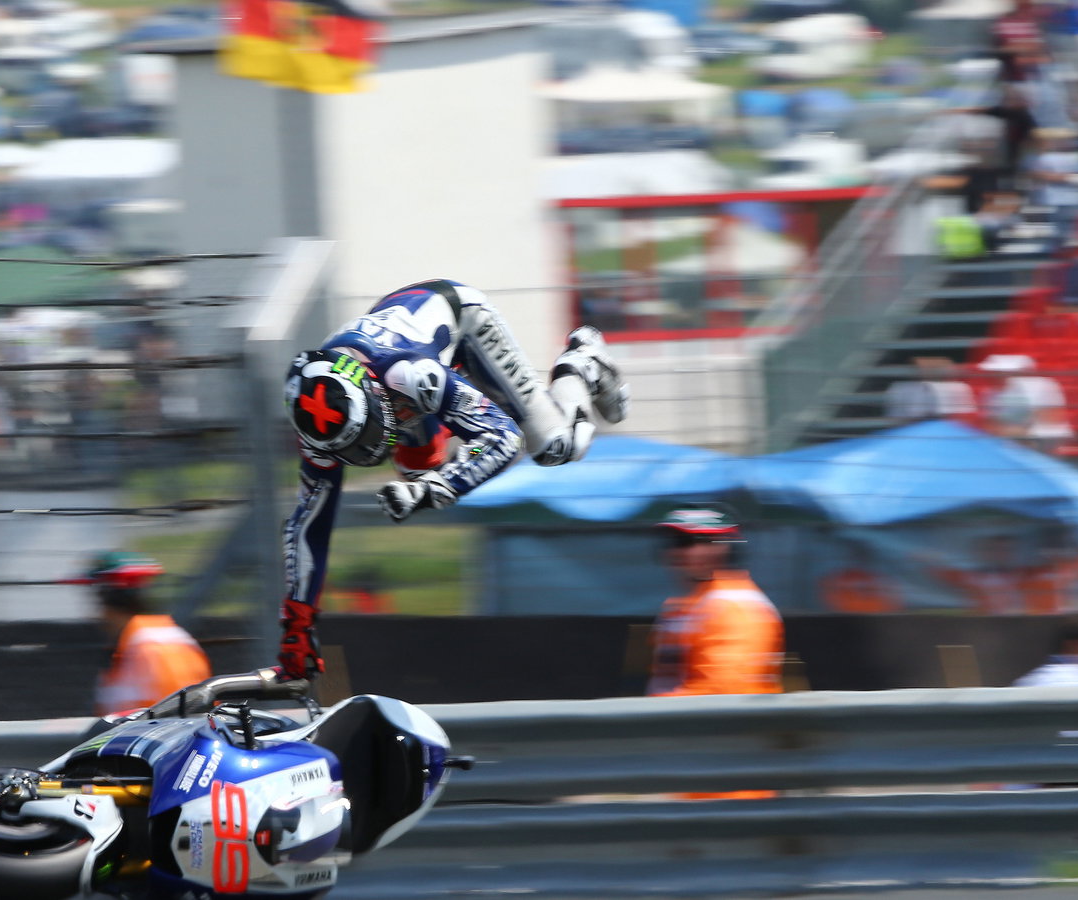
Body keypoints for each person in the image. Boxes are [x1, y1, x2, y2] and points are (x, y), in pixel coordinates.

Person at [277, 279, 630, 677]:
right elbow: (308, 523)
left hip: (462, 323)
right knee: (416, 468)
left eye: (370, 432)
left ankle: (581, 361)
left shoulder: (411, 373)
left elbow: (503, 439)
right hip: (401, 343)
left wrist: (434, 490)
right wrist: (297, 622)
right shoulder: (316, 431)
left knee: (555, 446)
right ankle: (459, 407)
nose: (372, 451)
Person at [647, 505, 784, 800]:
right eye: (672, 544)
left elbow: (724, 691)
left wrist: (646, 719)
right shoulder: (684, 606)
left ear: (719, 548)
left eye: (686, 543)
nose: (676, 554)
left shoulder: (736, 608)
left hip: (735, 783)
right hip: (694, 772)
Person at [65, 551, 211, 716]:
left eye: (96, 602)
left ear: (106, 602)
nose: (93, 615)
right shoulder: (136, 647)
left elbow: (180, 721)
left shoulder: (154, 650)